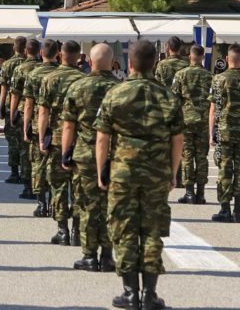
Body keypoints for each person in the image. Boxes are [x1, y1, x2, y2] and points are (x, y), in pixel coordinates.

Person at [95, 39, 183, 310]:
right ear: (155, 63)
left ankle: (130, 292)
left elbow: (102, 138)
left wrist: (101, 171)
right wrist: (173, 173)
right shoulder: (168, 97)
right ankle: (150, 294)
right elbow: (177, 139)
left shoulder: (115, 94)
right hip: (156, 174)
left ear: (129, 63)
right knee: (152, 232)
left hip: (123, 173)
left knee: (124, 230)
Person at [61, 43, 120, 272]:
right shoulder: (120, 88)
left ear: (90, 62)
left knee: (87, 205)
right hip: (114, 155)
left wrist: (66, 153)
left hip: (85, 155)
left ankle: (89, 255)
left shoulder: (78, 86)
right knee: (109, 206)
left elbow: (68, 126)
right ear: (112, 63)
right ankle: (107, 255)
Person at [38, 40, 85, 246]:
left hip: (57, 141)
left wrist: (42, 138)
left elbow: (43, 112)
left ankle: (62, 230)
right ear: (79, 56)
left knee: (58, 186)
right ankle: (77, 231)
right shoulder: (84, 80)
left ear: (60, 55)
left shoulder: (50, 79)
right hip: (80, 141)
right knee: (78, 187)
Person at [23, 39, 59, 217]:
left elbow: (28, 104)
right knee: (56, 166)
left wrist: (26, 127)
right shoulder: (62, 73)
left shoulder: (34, 74)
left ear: (41, 53)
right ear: (58, 54)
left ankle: (41, 203)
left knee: (38, 165)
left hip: (39, 125)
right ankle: (54, 203)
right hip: (59, 127)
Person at [172, 45, 212, 205]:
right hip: (203, 121)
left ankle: (189, 193)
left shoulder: (181, 75)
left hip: (186, 121)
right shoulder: (210, 76)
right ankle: (200, 194)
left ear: (190, 56)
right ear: (202, 57)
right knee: (201, 157)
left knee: (187, 156)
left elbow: (174, 99)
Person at [208, 43, 240, 222]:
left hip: (224, 132)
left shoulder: (218, 79)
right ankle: (239, 210)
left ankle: (225, 209)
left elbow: (214, 109)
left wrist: (210, 133)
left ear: (227, 59)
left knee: (224, 170)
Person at [10, 39, 42, 199]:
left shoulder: (20, 69)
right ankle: (42, 188)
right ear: (39, 51)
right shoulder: (45, 69)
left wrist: (12, 114)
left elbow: (15, 95)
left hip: (25, 114)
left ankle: (28, 186)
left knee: (25, 151)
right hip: (44, 114)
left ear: (25, 51)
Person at [155, 36, 189, 189]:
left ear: (168, 47)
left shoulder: (162, 65)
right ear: (180, 48)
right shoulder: (186, 65)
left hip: (165, 107)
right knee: (180, 143)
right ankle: (179, 177)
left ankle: (166, 176)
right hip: (181, 108)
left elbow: (157, 86)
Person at [0, 37, 26, 183]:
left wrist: (1, 106)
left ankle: (14, 172)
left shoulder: (7, 64)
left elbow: (3, 88)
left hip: (11, 107)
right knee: (26, 141)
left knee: (13, 141)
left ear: (14, 48)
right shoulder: (31, 64)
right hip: (27, 107)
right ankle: (26, 173)